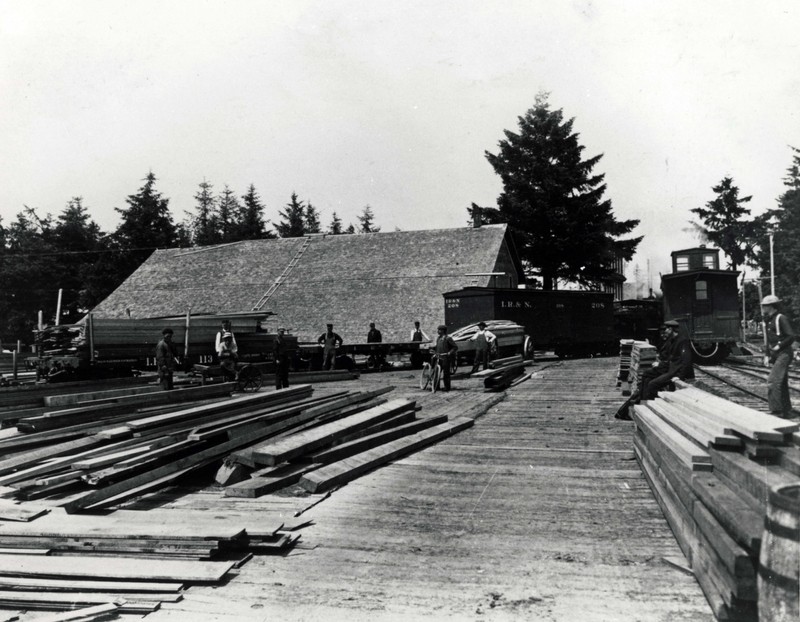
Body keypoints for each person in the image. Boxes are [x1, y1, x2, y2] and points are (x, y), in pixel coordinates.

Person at [615, 320, 693, 419]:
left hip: (675, 372)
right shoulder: (672, 340)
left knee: (652, 384)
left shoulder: (682, 341)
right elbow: (668, 357)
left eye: (667, 329)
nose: (665, 332)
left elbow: (686, 361)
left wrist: (679, 377)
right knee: (646, 376)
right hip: (670, 369)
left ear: (671, 329)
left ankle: (652, 411)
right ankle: (642, 405)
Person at [761, 294, 796, 417]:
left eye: (765, 305)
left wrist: (779, 346)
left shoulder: (781, 318)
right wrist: (766, 355)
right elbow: (768, 341)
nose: (763, 308)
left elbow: (791, 336)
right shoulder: (768, 320)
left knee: (773, 381)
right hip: (776, 354)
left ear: (772, 306)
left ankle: (777, 411)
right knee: (781, 382)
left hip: (784, 353)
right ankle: (787, 411)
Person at [434, 324, 458, 391]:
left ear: (443, 331)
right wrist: (434, 352)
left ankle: (447, 387)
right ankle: (436, 386)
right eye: (438, 330)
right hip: (439, 358)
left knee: (446, 373)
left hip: (445, 358)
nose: (438, 331)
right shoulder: (438, 338)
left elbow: (455, 347)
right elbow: (437, 347)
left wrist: (449, 352)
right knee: (437, 373)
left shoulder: (448, 338)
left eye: (439, 330)